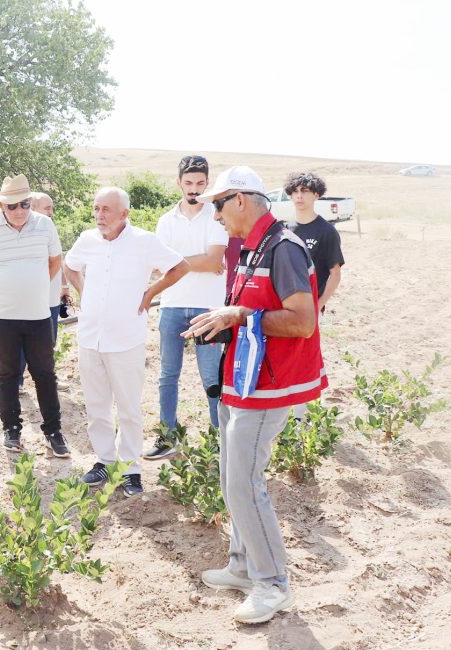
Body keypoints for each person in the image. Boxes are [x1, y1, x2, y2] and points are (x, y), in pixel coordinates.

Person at [183, 166, 326, 625]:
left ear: (241, 201)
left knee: (245, 481)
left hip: (270, 385)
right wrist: (227, 322)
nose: (216, 217)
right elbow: (253, 312)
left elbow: (302, 321)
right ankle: (244, 566)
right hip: (243, 379)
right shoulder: (252, 246)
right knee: (231, 475)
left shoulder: (283, 248)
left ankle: (273, 584)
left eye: (219, 206)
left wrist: (242, 315)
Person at [64, 187, 189, 497]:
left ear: (124, 214)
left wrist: (150, 293)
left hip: (126, 338)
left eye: (106, 209)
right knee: (96, 406)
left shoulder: (143, 241)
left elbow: (180, 267)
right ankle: (105, 461)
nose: (99, 215)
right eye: (96, 208)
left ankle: (130, 468)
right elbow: (70, 265)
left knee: (129, 407)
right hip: (90, 336)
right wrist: (83, 292)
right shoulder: (87, 240)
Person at [0, 175, 69, 457]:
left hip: (37, 314)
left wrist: (36, 288)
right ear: (2, 206)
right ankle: (11, 430)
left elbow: (55, 261)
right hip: (1, 317)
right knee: (8, 373)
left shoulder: (45, 225)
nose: (20, 210)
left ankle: (54, 431)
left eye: (25, 203)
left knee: (44, 373)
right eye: (13, 206)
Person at [147, 155, 229, 460]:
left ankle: (218, 442)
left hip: (208, 309)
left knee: (211, 378)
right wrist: (201, 262)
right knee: (168, 375)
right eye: (189, 182)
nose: (194, 189)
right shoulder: (165, 220)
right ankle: (168, 437)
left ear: (207, 183)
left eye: (200, 183)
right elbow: (161, 263)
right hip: (171, 305)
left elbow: (212, 261)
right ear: (179, 182)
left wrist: (177, 262)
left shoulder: (216, 216)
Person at [16, 191, 70, 394]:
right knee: (22, 342)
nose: (52, 212)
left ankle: (49, 378)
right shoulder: (24, 232)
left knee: (49, 341)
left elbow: (59, 258)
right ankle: (18, 382)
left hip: (51, 299)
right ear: (34, 207)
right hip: (30, 299)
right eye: (48, 208)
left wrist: (64, 287)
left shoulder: (49, 228)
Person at [284, 172, 344, 315]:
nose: (299, 196)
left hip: (311, 306)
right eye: (295, 191)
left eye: (304, 191)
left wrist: (318, 305)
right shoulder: (284, 230)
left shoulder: (327, 231)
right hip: (284, 306)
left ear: (316, 195)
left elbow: (335, 274)